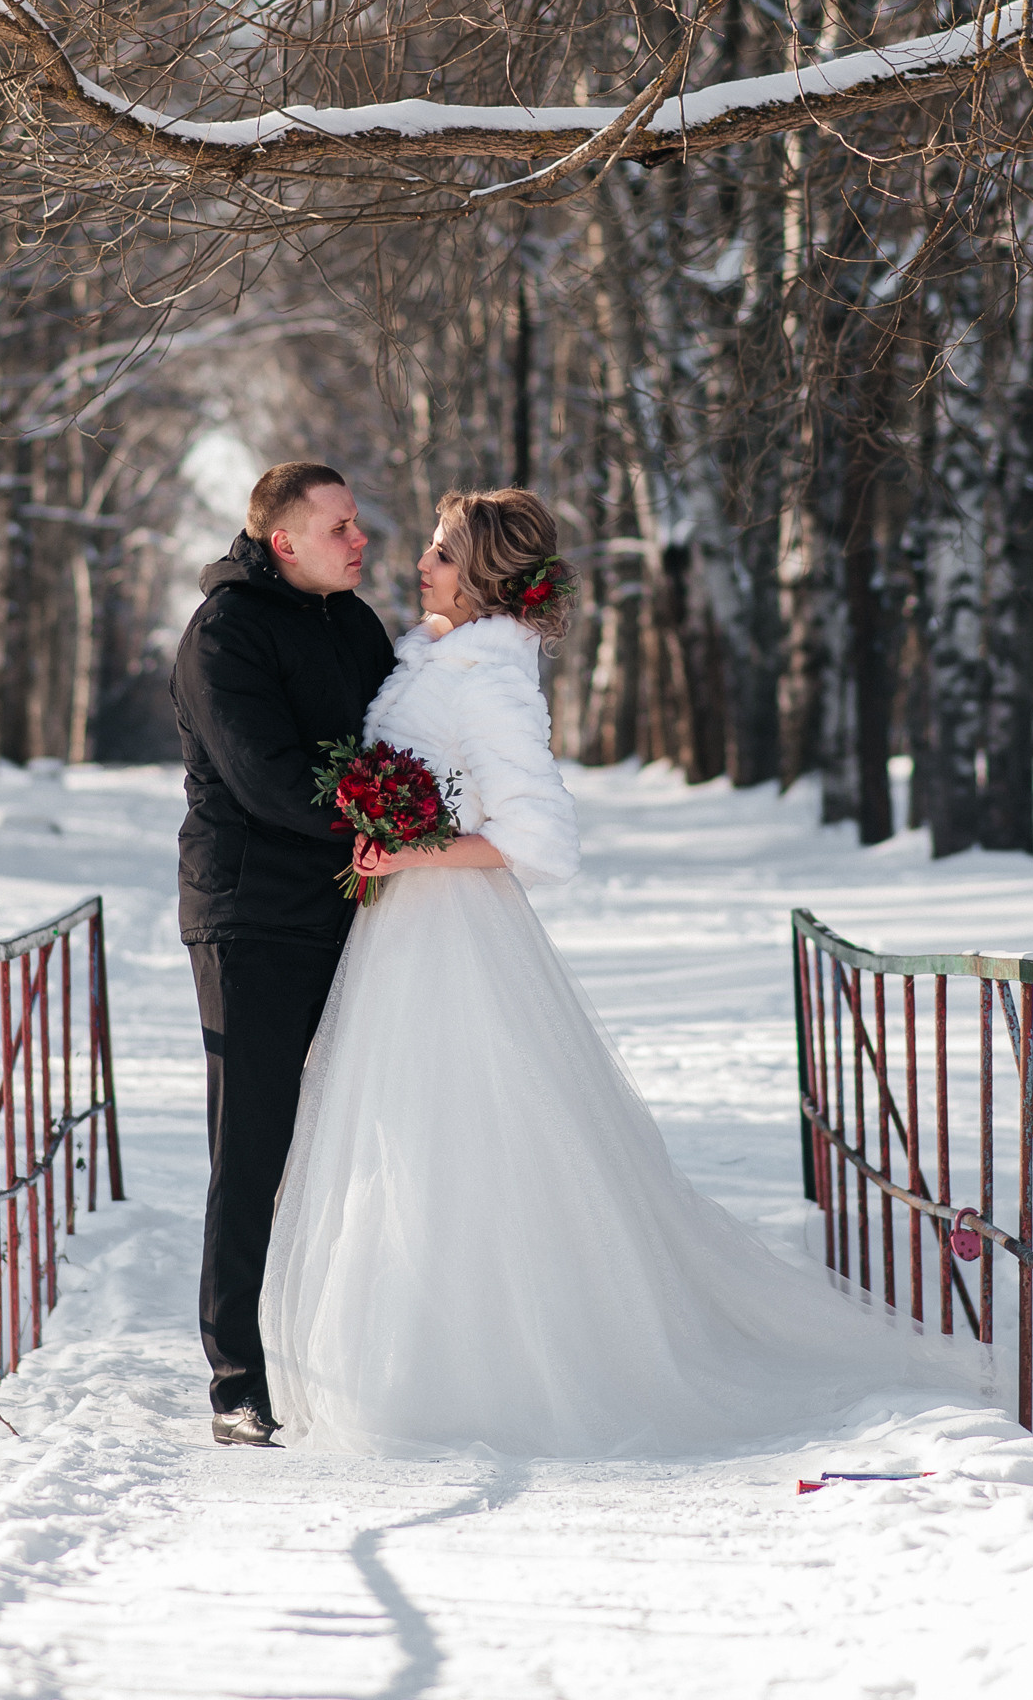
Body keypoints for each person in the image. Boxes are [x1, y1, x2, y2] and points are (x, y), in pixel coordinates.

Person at [262, 485, 913, 1456]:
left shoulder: (488, 679)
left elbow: (540, 840)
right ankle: (408, 1366)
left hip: (454, 938)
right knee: (401, 1148)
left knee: (461, 1148)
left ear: (481, 578)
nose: (420, 563)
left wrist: (409, 853)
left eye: (440, 553)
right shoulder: (437, 659)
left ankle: (481, 1375)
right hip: (399, 933)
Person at [171, 460, 396, 1445]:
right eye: (339, 527)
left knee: (364, 1138)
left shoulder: (352, 622)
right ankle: (236, 1377)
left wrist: (409, 815)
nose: (359, 542)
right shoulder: (223, 633)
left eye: (357, 527)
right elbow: (264, 778)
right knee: (253, 1145)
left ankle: (351, 1354)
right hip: (250, 918)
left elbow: (396, 737)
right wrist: (384, 817)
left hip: (361, 907)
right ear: (282, 541)